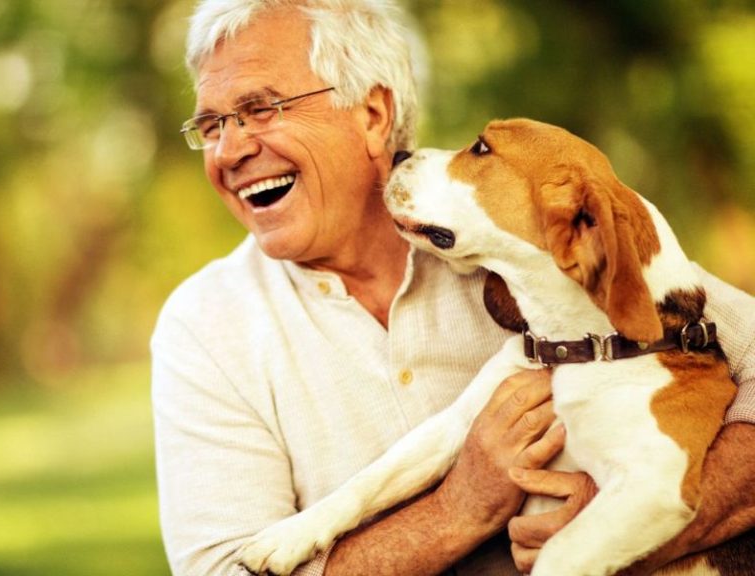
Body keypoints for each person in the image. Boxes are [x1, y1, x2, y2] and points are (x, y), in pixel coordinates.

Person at [150, 1, 755, 574]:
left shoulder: (523, 249)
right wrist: (455, 512)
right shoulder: (203, 327)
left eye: (261, 109)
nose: (231, 149)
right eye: (211, 124)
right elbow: (224, 569)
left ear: (373, 115)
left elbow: (699, 333)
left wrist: (618, 521)